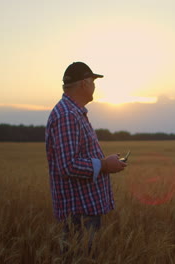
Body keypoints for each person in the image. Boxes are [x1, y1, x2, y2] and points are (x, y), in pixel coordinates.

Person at [45, 62, 127, 255]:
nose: (95, 87)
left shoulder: (73, 112)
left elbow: (76, 157)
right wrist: (105, 165)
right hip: (78, 212)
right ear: (84, 84)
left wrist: (105, 161)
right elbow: (68, 165)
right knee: (80, 257)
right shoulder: (67, 116)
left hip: (82, 208)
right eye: (93, 81)